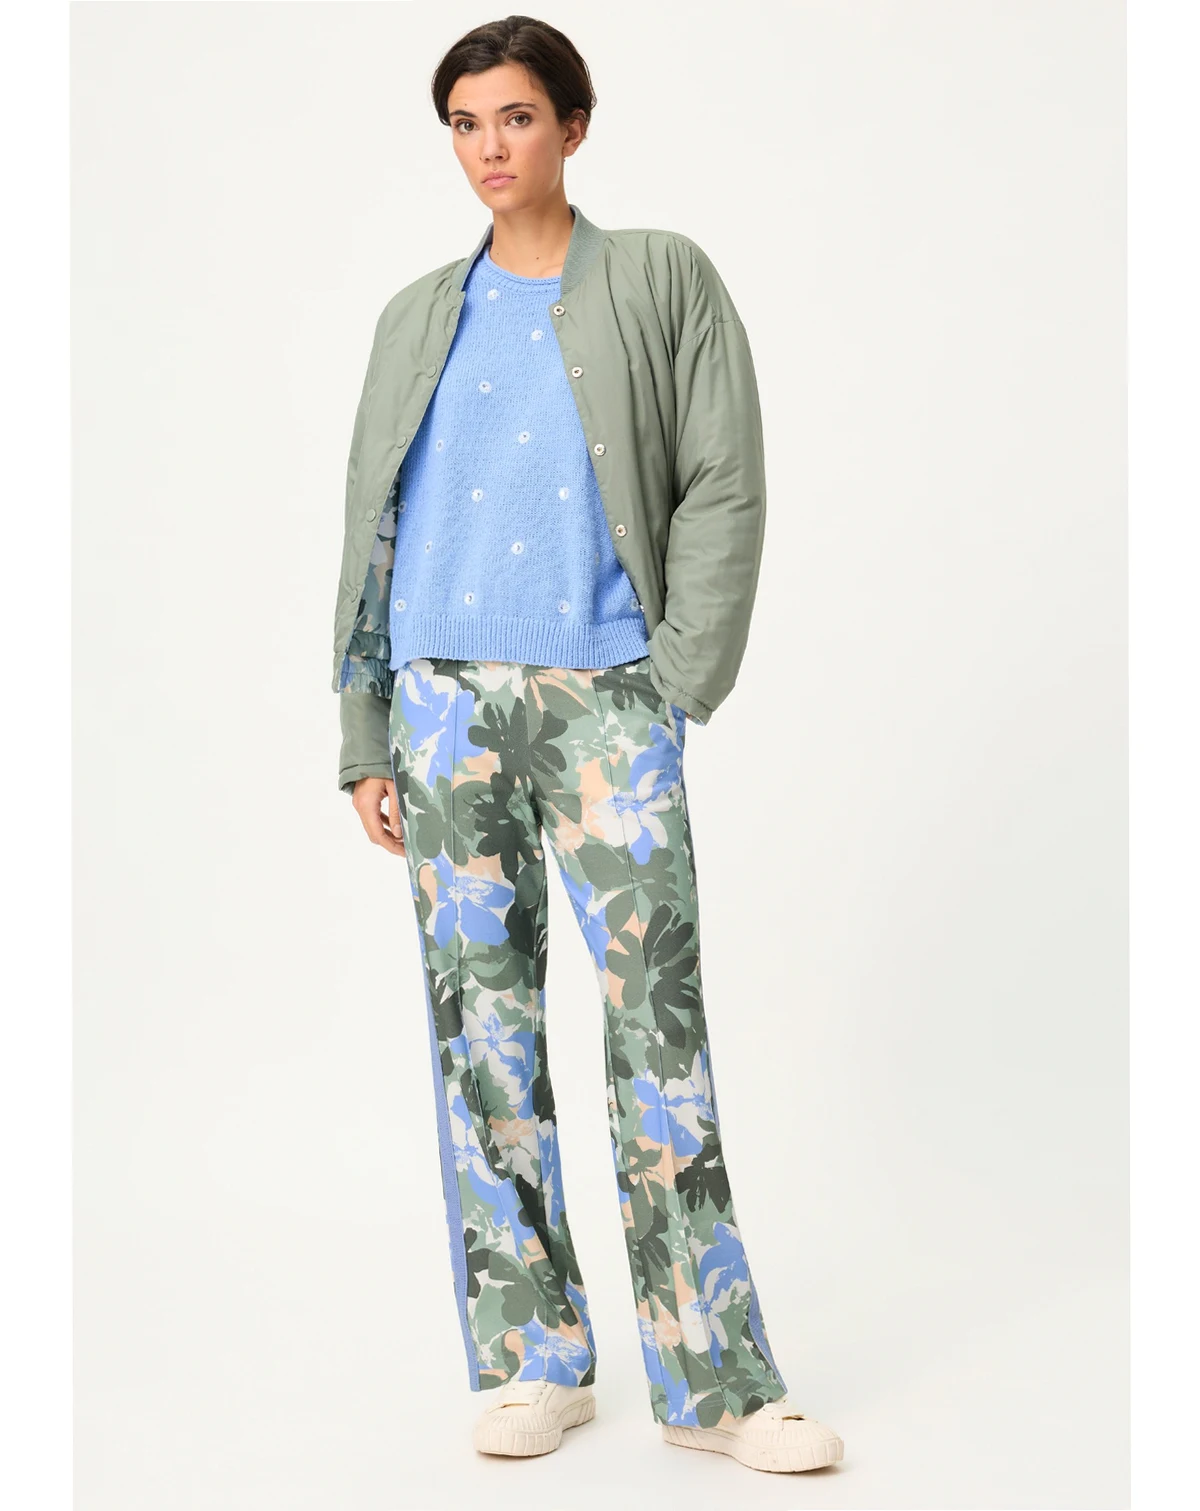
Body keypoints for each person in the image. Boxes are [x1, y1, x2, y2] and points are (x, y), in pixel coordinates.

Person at [331, 14, 844, 1476]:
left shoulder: (662, 278)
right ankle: (532, 1358)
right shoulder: (416, 314)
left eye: (516, 117)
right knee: (480, 1033)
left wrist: (672, 679)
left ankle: (718, 1381)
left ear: (571, 125)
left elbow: (724, 478)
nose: (490, 147)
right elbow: (370, 520)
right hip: (442, 707)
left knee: (656, 1036)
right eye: (465, 123)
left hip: (606, 698)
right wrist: (366, 721)